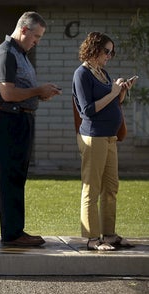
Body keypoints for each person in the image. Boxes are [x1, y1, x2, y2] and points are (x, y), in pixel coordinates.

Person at [0, 11, 61, 247]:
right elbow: (7, 93)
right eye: (36, 37)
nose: (37, 42)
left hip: (22, 119)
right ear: (23, 29)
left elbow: (21, 90)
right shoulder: (6, 53)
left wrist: (40, 95)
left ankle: (16, 230)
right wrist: (37, 91)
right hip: (9, 121)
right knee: (11, 176)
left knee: (18, 177)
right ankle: (11, 235)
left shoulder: (20, 54)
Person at [72, 32, 136, 251]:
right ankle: (91, 238)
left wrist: (121, 90)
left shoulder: (103, 73)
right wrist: (112, 92)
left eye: (112, 52)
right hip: (94, 137)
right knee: (92, 187)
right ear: (94, 49)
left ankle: (109, 235)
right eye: (106, 51)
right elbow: (88, 110)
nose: (109, 56)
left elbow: (113, 102)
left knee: (111, 187)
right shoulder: (82, 74)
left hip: (110, 137)